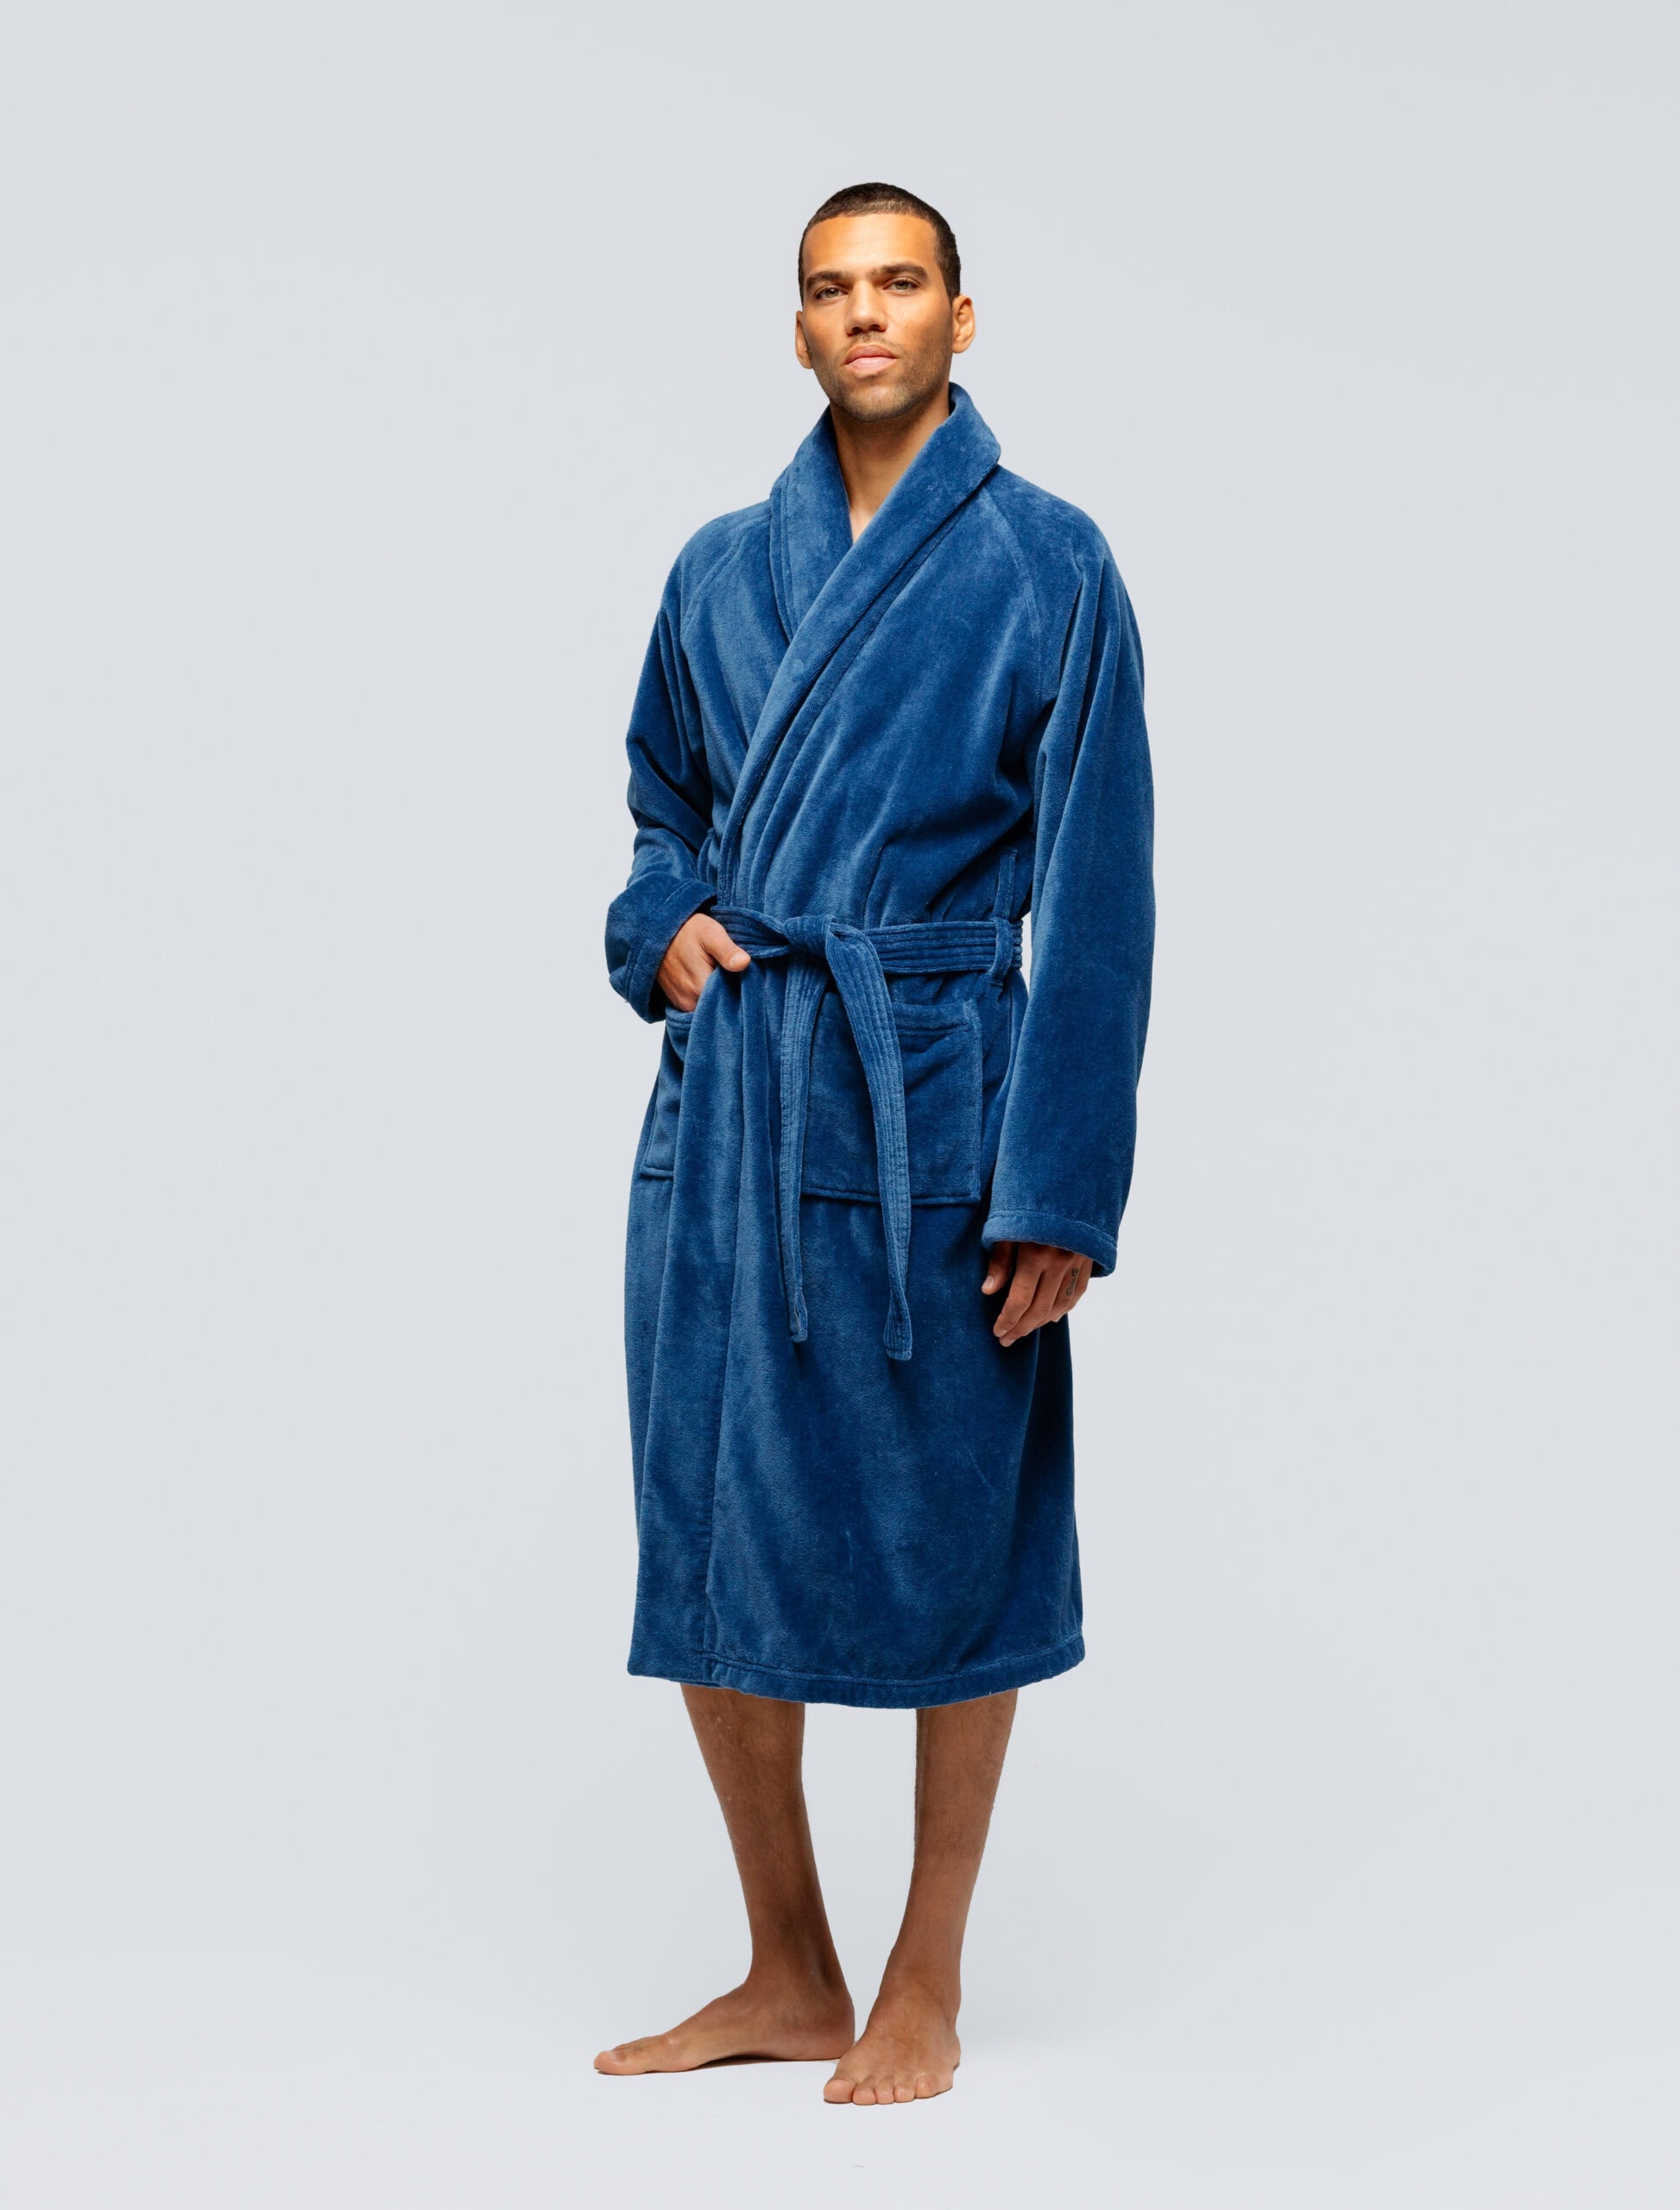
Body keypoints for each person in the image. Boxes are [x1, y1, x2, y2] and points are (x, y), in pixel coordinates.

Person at [597, 182, 1154, 2105]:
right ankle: (787, 1963)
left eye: (899, 283)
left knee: (954, 1530)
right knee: (707, 1525)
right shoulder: (715, 569)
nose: (865, 314)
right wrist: (657, 925)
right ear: (797, 328)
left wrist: (1058, 1186)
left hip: (935, 1114)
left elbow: (1098, 895)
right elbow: (661, 806)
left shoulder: (1047, 561)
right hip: (729, 1111)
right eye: (831, 289)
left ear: (958, 318)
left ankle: (926, 1972)